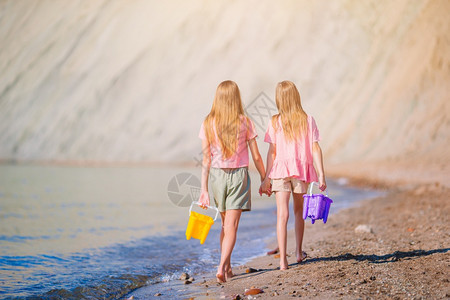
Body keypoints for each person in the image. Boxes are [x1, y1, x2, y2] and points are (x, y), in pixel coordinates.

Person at [198, 80, 267, 283]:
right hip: (238, 176)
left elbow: (206, 159)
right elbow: (256, 156)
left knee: (224, 226)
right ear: (236, 98)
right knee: (232, 226)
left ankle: (227, 268)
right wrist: (264, 177)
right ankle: (221, 267)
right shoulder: (245, 122)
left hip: (217, 177)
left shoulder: (208, 122)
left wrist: (204, 189)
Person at [260, 81, 326, 270]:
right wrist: (321, 174)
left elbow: (271, 152)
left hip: (280, 171)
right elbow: (315, 148)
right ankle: (298, 252)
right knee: (298, 212)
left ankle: (282, 261)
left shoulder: (274, 121)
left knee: (282, 214)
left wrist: (266, 178)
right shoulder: (308, 119)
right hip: (300, 170)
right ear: (296, 96)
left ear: (279, 99)